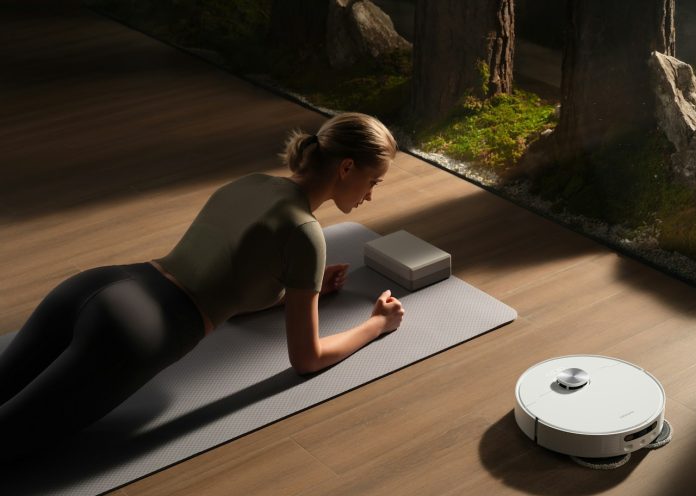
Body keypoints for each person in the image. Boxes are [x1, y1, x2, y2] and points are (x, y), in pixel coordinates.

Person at [0, 112, 404, 457]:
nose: (370, 195)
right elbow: (307, 359)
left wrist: (300, 290)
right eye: (374, 181)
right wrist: (377, 325)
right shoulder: (305, 231)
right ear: (347, 167)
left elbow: (228, 281)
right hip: (135, 333)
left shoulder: (250, 182)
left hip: (98, 284)